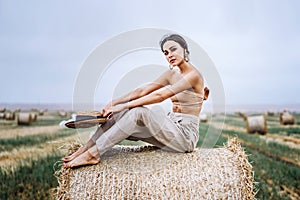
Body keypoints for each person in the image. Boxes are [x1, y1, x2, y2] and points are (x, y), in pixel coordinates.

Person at [62, 34, 208, 168]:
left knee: (138, 112)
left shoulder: (194, 75)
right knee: (120, 114)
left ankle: (93, 154)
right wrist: (116, 103)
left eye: (173, 49)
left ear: (185, 49)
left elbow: (160, 96)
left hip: (184, 137)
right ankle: (85, 149)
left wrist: (124, 105)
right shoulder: (171, 74)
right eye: (166, 53)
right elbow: (142, 91)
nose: (169, 55)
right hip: (170, 128)